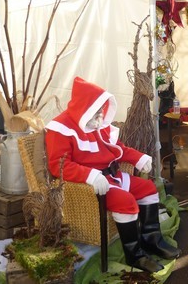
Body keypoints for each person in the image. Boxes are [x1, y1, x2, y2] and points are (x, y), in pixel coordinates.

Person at [45, 76, 180, 273]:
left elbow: (117, 148)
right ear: (86, 108)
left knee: (148, 188)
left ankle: (152, 239)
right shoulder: (61, 128)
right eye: (98, 109)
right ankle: (134, 255)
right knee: (126, 201)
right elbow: (58, 166)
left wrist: (138, 157)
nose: (102, 113)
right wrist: (90, 176)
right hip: (90, 184)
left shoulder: (95, 123)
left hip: (112, 177)